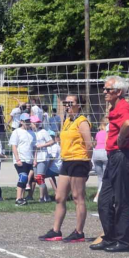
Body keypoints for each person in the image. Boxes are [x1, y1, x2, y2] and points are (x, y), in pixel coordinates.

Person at [91, 76, 129, 252]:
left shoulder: (123, 107)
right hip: (113, 157)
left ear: (118, 92)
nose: (104, 92)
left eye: (108, 89)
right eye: (104, 89)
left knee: (122, 199)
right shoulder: (118, 107)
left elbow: (127, 122)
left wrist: (121, 138)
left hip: (121, 156)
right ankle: (110, 236)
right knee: (104, 200)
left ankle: (125, 241)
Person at [39, 95, 92, 242]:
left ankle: (79, 232)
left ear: (79, 105)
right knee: (59, 197)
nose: (67, 105)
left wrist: (88, 162)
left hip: (79, 160)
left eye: (70, 103)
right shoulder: (67, 121)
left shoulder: (82, 122)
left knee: (77, 197)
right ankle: (56, 231)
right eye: (65, 103)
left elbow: (89, 144)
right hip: (67, 160)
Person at [9, 113, 36, 206]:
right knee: (23, 177)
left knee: (25, 180)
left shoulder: (32, 133)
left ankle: (22, 198)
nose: (27, 123)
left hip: (29, 160)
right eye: (25, 121)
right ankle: (18, 199)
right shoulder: (16, 132)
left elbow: (34, 147)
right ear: (21, 121)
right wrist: (17, 159)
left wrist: (35, 159)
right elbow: (14, 146)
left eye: (28, 121)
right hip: (20, 159)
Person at [32, 115, 54, 203]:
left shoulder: (43, 132)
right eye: (34, 123)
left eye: (37, 123)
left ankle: (41, 198)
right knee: (36, 178)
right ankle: (47, 197)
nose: (36, 124)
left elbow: (51, 141)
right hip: (34, 157)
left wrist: (41, 145)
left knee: (40, 177)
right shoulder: (31, 132)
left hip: (43, 157)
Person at [92, 118, 109, 203]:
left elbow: (95, 142)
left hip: (96, 153)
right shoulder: (108, 133)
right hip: (104, 153)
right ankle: (98, 195)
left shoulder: (98, 133)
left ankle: (100, 195)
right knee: (105, 177)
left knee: (100, 177)